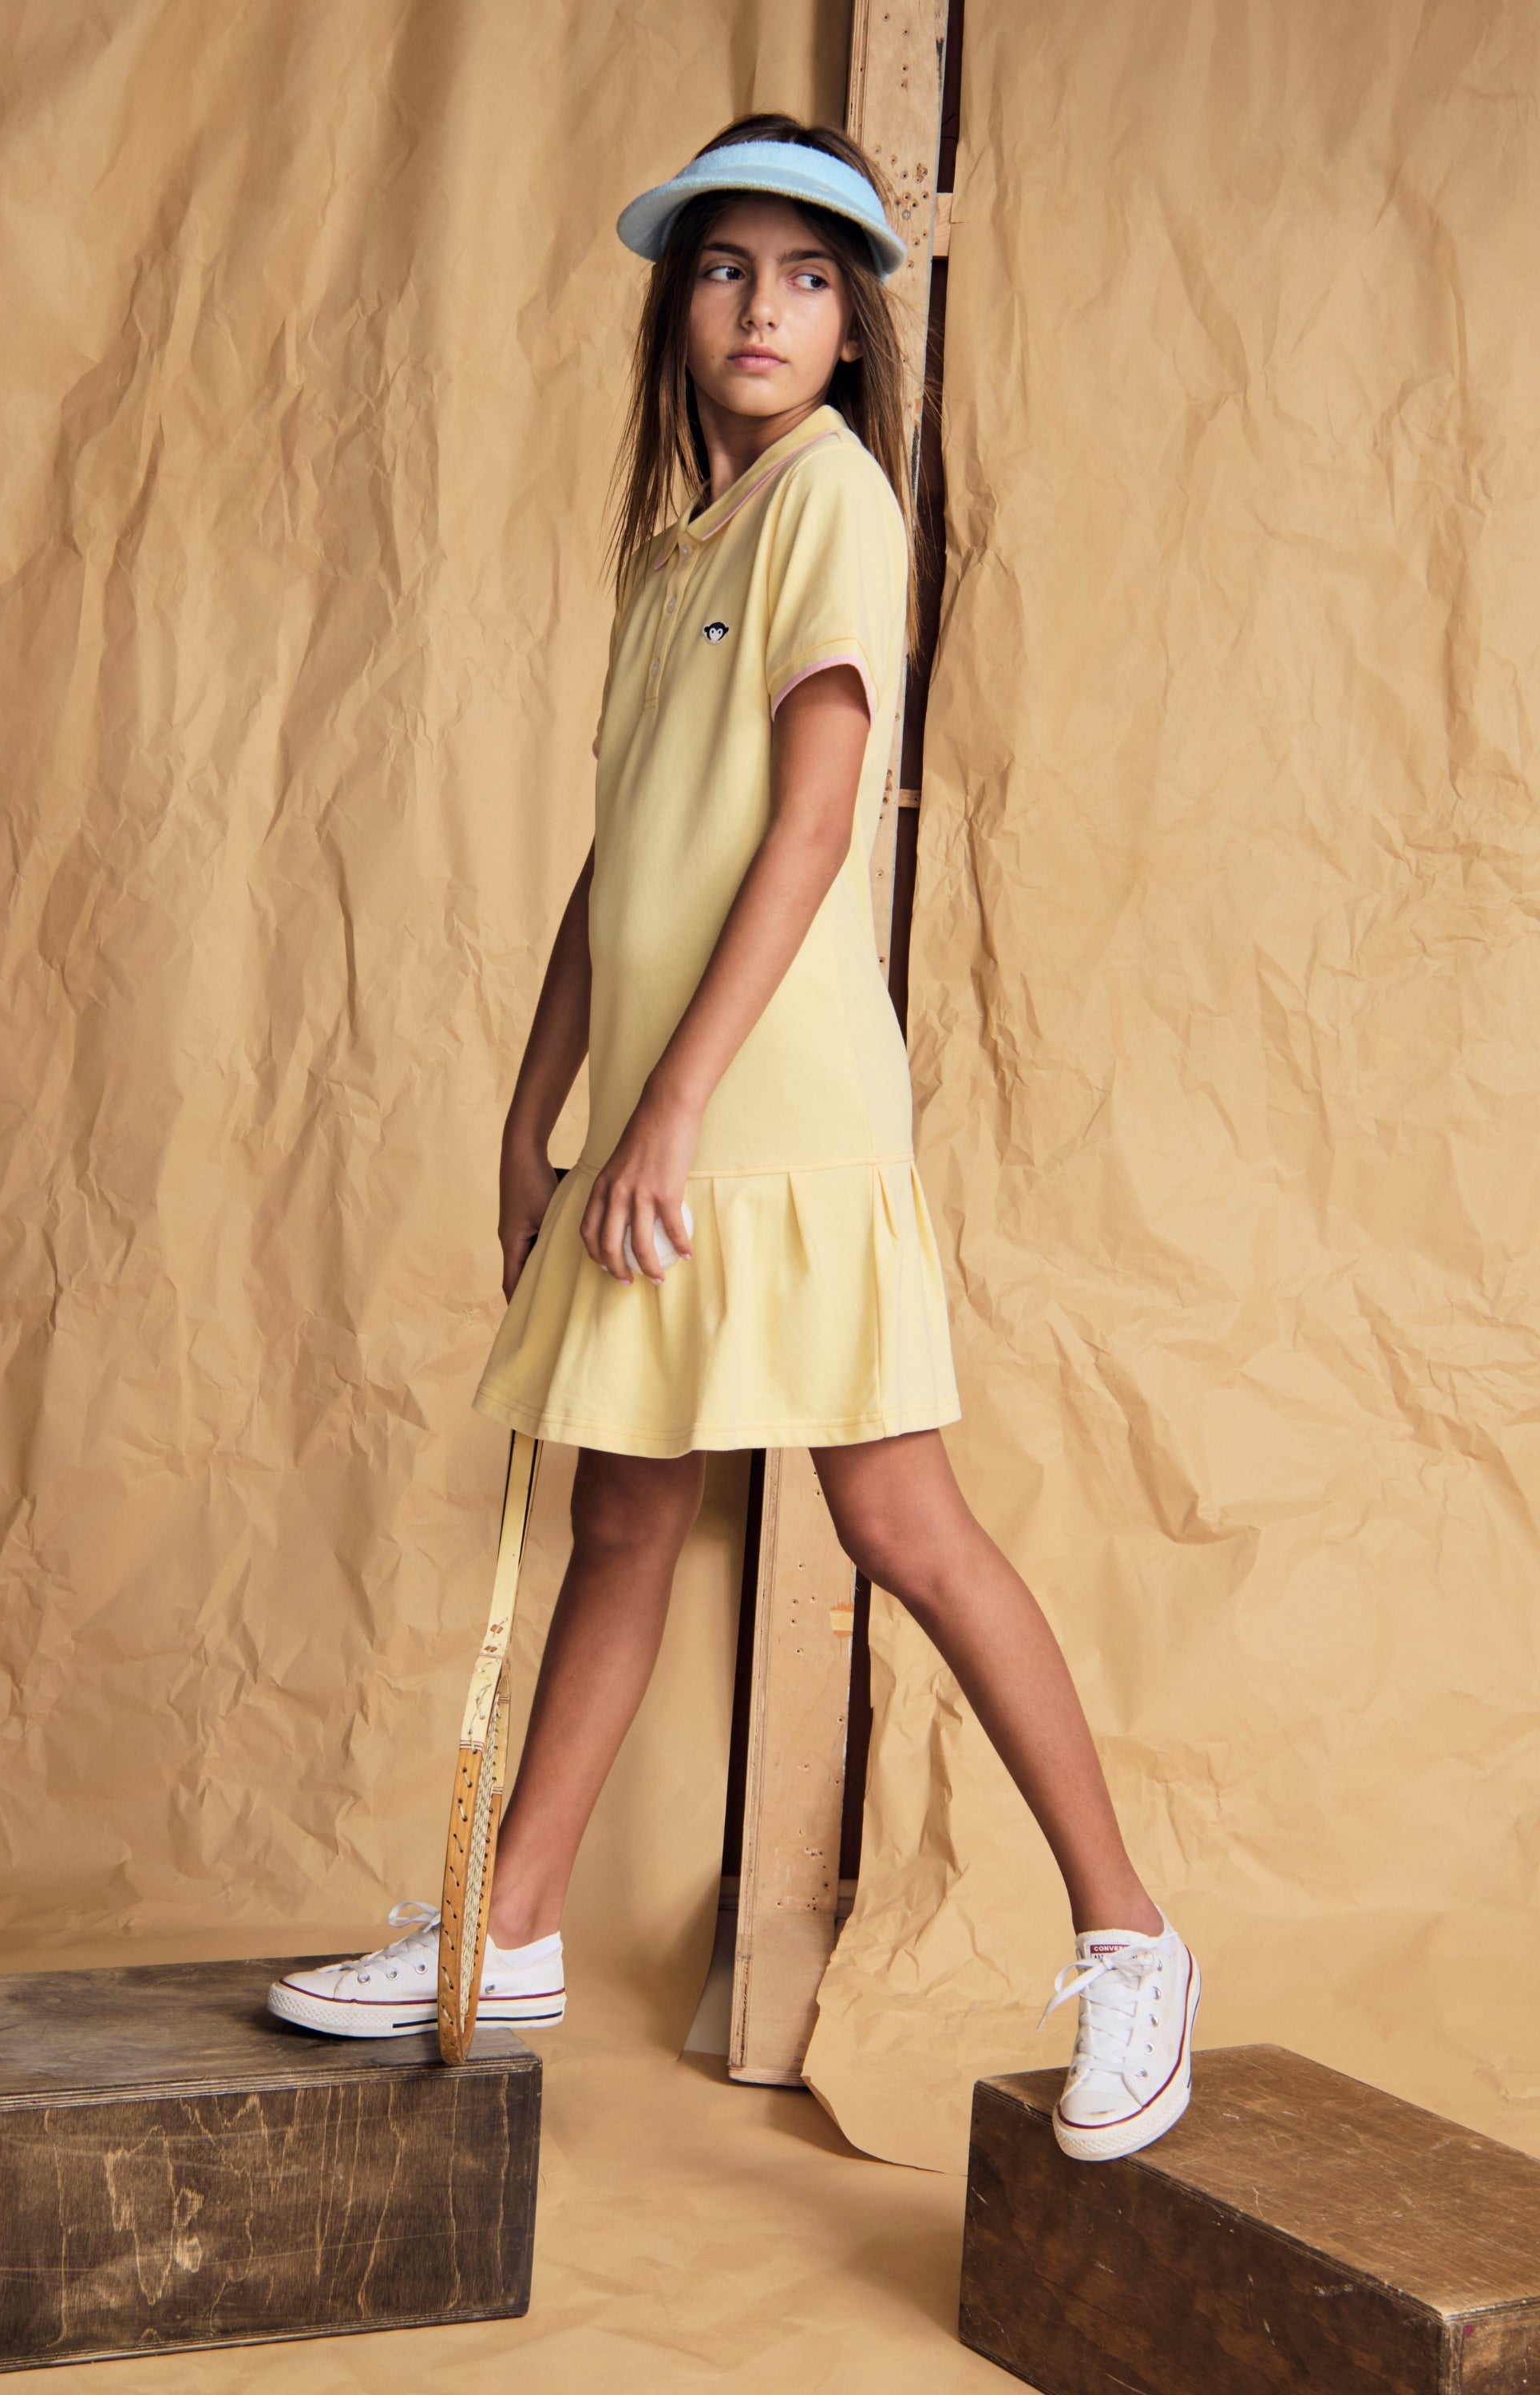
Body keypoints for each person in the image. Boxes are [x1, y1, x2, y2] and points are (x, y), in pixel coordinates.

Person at [269, 115, 1199, 2163]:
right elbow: (635, 860)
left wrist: (673, 1107)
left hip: (775, 1116)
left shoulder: (836, 505)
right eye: (722, 268)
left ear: (856, 325)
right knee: (620, 1525)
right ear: (676, 308)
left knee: (900, 1528)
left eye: (803, 275)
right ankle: (507, 1934)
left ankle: (1134, 1943)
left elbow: (809, 827)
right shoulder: (679, 538)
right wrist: (539, 1116)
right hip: (654, 1121)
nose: (761, 307)